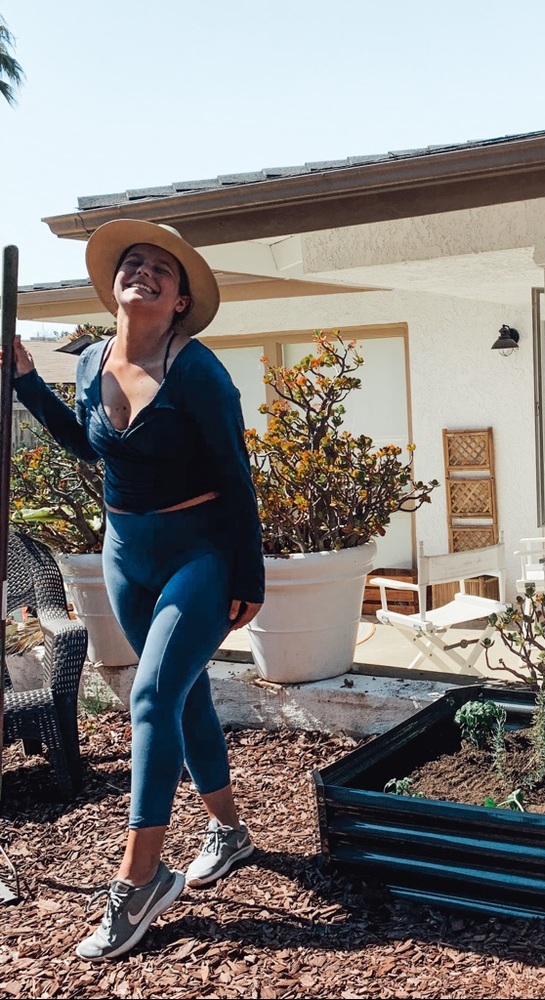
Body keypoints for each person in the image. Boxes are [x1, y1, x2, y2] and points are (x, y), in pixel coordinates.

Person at [10, 220, 265, 961]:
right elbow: (89, 445)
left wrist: (247, 576)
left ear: (180, 299)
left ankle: (141, 876)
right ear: (115, 286)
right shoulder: (90, 363)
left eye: (162, 269)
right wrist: (26, 379)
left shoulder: (199, 374)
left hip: (202, 552)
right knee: (185, 699)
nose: (144, 274)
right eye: (133, 264)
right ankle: (231, 830)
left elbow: (236, 478)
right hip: (126, 549)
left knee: (151, 695)